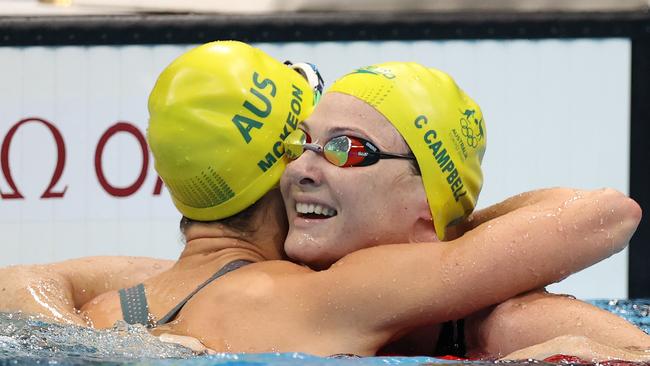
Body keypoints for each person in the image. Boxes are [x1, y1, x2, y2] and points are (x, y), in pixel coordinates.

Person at [0, 42, 645, 359]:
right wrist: (452, 233)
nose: (309, 167)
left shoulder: (121, 301)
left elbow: (22, 281)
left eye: (346, 150)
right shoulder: (339, 295)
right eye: (306, 144)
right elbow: (602, 213)